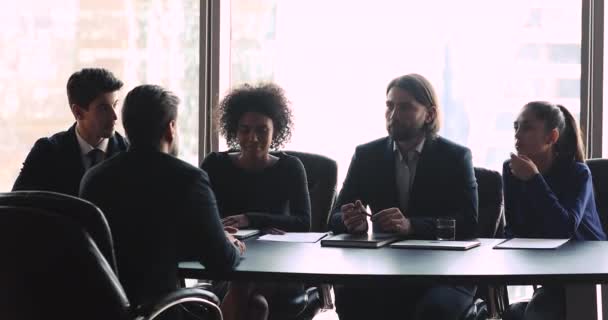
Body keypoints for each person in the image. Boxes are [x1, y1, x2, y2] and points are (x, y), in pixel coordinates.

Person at [80, 85, 244, 319]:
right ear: (170, 128)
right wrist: (232, 245)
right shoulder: (188, 178)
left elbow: (133, 242)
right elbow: (221, 263)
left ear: (127, 128)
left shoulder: (94, 178)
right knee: (246, 301)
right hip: (160, 311)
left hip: (104, 309)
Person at [328, 73, 479, 320]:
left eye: (405, 107)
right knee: (351, 296)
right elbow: (333, 217)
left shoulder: (455, 157)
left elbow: (469, 222)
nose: (394, 114)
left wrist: (411, 225)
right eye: (390, 106)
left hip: (444, 271)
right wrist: (350, 221)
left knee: (435, 309)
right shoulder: (367, 155)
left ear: (429, 114)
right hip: (385, 268)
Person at [201, 83, 311, 320]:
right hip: (229, 260)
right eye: (245, 129)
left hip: (279, 265)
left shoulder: (291, 167)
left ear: (276, 131)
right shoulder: (215, 165)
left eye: (262, 130)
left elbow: (304, 222)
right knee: (255, 304)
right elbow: (200, 219)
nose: (253, 137)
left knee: (245, 290)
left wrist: (250, 219)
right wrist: (221, 228)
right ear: (234, 130)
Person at [502, 101, 606, 320]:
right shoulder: (511, 169)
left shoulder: (578, 173)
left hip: (585, 272)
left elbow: (564, 228)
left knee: (540, 313)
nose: (517, 135)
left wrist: (533, 179)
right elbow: (513, 228)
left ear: (551, 137)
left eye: (527, 127)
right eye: (516, 127)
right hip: (546, 268)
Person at [13, 68, 129, 196]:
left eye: (115, 105)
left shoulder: (128, 152)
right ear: (78, 112)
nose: (115, 116)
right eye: (103, 108)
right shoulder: (46, 152)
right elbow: (16, 205)